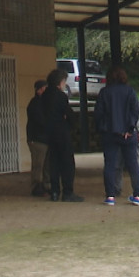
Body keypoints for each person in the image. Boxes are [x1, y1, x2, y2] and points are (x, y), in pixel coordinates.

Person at [95, 65, 139, 206]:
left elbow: (99, 113)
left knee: (110, 165)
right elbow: (135, 111)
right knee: (133, 164)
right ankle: (137, 195)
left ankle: (110, 196)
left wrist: (103, 128)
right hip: (128, 134)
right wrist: (130, 128)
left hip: (110, 133)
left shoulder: (104, 92)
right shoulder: (130, 91)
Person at [41, 68, 83, 202]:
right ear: (60, 82)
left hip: (49, 133)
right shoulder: (61, 96)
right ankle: (68, 192)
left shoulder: (45, 96)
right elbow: (69, 114)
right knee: (67, 163)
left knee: (53, 163)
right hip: (62, 132)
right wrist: (71, 123)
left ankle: (54, 191)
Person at [25, 79, 50, 197]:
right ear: (40, 90)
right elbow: (41, 121)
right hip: (37, 139)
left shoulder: (41, 103)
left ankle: (44, 186)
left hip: (42, 138)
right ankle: (36, 187)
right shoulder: (35, 104)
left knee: (44, 164)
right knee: (38, 164)